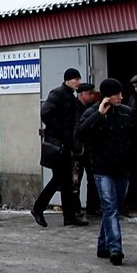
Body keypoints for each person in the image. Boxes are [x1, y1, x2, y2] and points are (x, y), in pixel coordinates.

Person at [76, 78, 137, 266]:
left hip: (123, 169)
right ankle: (115, 249)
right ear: (107, 96)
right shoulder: (92, 113)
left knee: (115, 208)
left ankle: (103, 245)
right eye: (116, 94)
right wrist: (99, 114)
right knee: (110, 207)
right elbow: (79, 135)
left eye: (121, 93)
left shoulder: (127, 113)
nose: (121, 97)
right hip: (102, 169)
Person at [32, 68, 88, 227]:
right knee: (60, 179)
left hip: (67, 145)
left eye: (79, 79)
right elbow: (46, 113)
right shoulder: (57, 94)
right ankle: (38, 208)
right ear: (67, 80)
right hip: (58, 145)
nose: (78, 82)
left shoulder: (70, 96)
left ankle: (69, 216)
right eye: (75, 79)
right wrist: (61, 132)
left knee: (66, 182)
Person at [72, 82, 101, 218]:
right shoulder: (74, 107)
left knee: (92, 178)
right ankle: (75, 208)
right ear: (81, 94)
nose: (92, 96)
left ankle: (92, 206)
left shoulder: (92, 107)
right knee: (75, 180)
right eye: (89, 93)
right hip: (77, 150)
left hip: (89, 149)